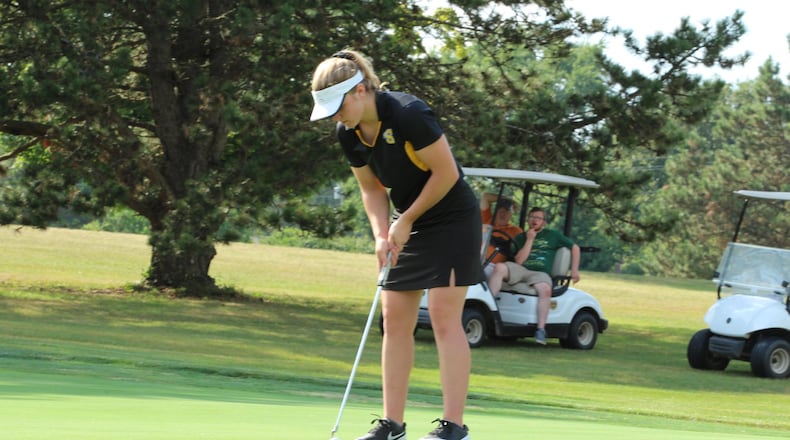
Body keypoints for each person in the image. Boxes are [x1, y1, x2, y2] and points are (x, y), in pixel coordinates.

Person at [310, 49, 480, 440]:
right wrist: (381, 234)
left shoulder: (408, 114)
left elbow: (446, 174)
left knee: (443, 316)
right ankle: (392, 424)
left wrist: (406, 220)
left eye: (338, 107)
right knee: (394, 320)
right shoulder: (348, 133)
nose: (336, 117)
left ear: (360, 90)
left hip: (452, 219)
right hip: (407, 223)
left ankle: (453, 426)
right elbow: (371, 189)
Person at [487, 207, 581, 345]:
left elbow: (575, 247)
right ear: (528, 220)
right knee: (499, 267)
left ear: (544, 222)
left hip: (540, 272)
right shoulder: (521, 237)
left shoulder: (553, 235)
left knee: (545, 289)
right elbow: (519, 261)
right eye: (532, 217)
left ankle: (541, 329)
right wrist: (530, 240)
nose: (534, 220)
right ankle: (488, 308)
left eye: (538, 218)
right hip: (522, 269)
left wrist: (574, 270)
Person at [479, 192, 523, 278]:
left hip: (494, 268)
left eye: (507, 212)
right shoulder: (487, 219)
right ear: (495, 212)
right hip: (476, 261)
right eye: (501, 211)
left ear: (511, 215)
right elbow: (485, 196)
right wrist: (510, 200)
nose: (503, 214)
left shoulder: (516, 231)